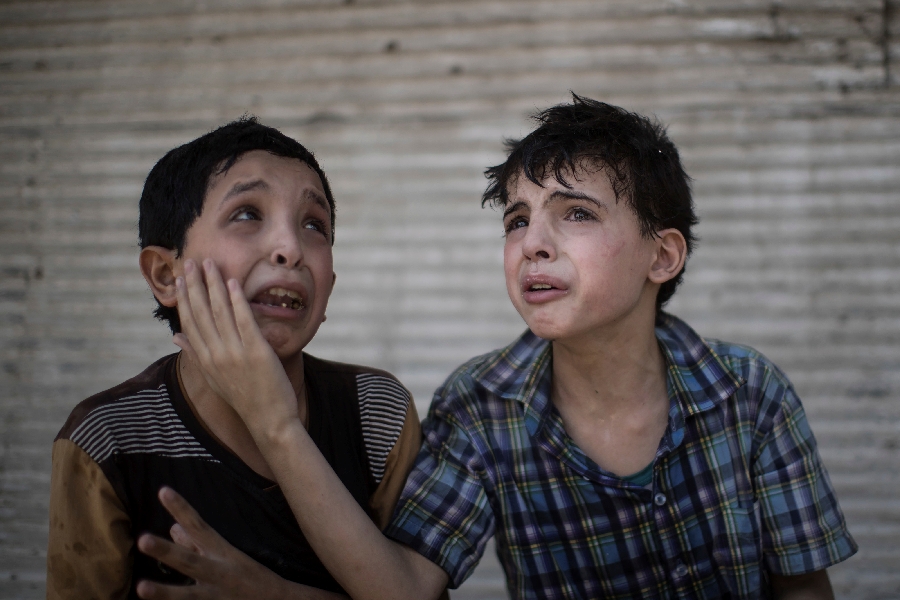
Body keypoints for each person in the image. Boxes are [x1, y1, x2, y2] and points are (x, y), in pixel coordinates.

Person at [136, 96, 857, 599]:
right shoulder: (480, 408)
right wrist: (274, 421)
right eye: (517, 220)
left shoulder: (749, 391)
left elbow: (802, 584)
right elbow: (406, 587)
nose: (533, 243)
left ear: (660, 257)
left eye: (575, 214)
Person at [46, 118, 423, 599]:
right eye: (247, 214)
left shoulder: (376, 412)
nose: (290, 248)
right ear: (165, 274)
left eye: (314, 224)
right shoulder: (108, 438)